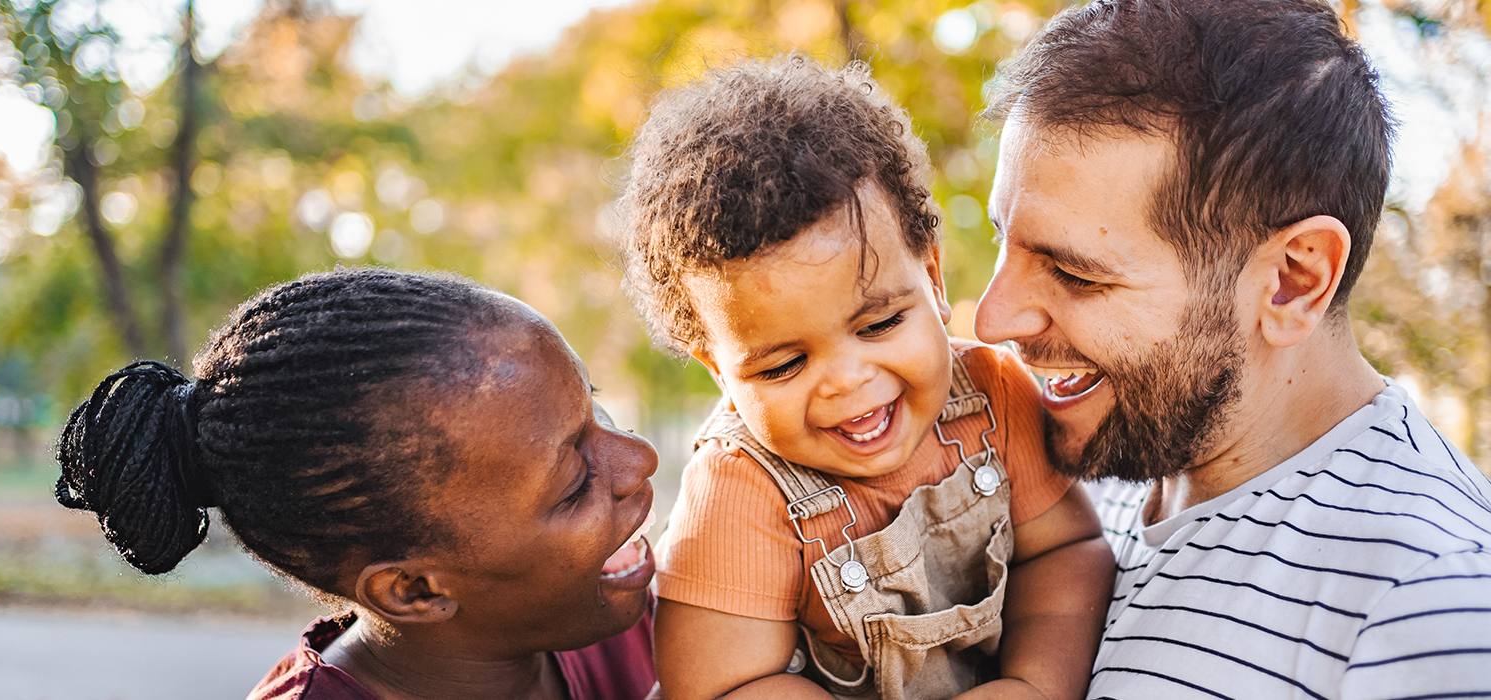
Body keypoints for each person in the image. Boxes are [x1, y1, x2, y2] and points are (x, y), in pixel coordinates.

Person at [974, 0, 1491, 697]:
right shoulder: (1064, 481)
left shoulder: (1433, 600)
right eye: (1004, 236)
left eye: (1075, 273)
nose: (993, 318)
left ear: (1292, 281)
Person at [619, 56, 1113, 700]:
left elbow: (1064, 552)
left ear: (932, 279)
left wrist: (1032, 684)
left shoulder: (992, 395)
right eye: (783, 365)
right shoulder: (741, 488)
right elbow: (723, 685)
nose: (848, 381)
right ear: (719, 368)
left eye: (878, 324)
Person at [54, 268, 659, 700]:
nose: (641, 460)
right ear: (415, 590)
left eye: (595, 412)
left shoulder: (645, 618)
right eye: (575, 482)